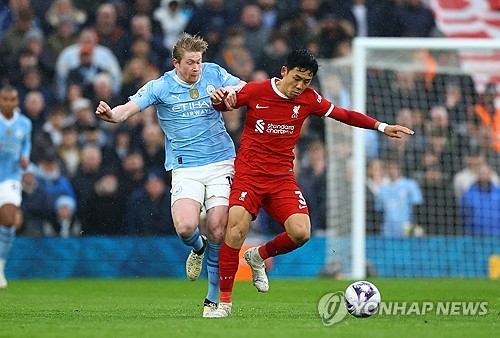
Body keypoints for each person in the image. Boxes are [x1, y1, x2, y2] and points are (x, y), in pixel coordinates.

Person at [206, 49, 414, 317]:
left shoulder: (309, 99)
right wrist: (219, 98)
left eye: (306, 80)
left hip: (281, 179)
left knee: (301, 232)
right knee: (234, 231)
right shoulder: (257, 91)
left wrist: (382, 127)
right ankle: (224, 304)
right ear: (284, 72)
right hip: (250, 176)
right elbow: (224, 105)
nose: (300, 86)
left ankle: (257, 255)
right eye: (297, 78)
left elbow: (344, 114)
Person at [95, 33, 246, 317]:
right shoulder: (160, 86)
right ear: (176, 63)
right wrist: (112, 115)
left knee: (217, 227)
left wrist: (230, 95)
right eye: (190, 63)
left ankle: (212, 299)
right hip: (185, 166)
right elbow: (128, 109)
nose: (196, 68)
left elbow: (246, 90)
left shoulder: (214, 73)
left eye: (199, 62)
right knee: (186, 227)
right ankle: (198, 249)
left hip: (220, 162)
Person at [0, 85, 32, 288]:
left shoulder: (25, 123)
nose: (8, 102)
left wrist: (26, 158)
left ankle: (0, 267)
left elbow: (26, 144)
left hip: (11, 177)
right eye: (4, 99)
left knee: (9, 220)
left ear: (17, 101)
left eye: (12, 99)